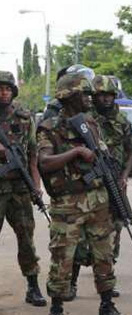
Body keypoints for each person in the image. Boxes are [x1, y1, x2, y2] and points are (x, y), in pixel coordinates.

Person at [37, 72, 119, 315]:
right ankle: (57, 306)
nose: (89, 98)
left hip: (97, 199)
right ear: (69, 96)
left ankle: (106, 302)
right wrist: (75, 153)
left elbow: (102, 153)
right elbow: (45, 162)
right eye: (84, 94)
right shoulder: (49, 127)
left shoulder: (90, 123)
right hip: (67, 203)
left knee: (103, 253)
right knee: (63, 256)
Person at [63, 75, 132, 301]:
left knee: (113, 234)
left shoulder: (122, 121)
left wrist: (124, 176)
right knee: (80, 238)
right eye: (100, 95)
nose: (105, 99)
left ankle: (106, 282)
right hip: (88, 185)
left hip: (113, 182)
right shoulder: (84, 119)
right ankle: (72, 282)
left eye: (109, 95)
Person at [0, 71, 47, 307]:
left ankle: (33, 286)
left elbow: (33, 154)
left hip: (19, 187)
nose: (4, 92)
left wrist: (36, 186)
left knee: (26, 239)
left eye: (7, 88)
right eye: (0, 88)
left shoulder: (25, 117)